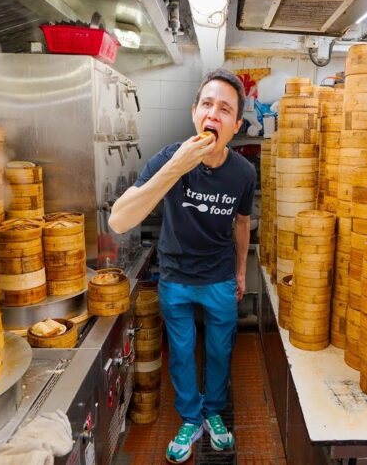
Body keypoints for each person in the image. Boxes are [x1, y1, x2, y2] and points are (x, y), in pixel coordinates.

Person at [108, 69, 255, 463]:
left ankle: (213, 414)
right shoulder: (168, 158)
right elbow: (119, 220)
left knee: (221, 350)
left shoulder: (244, 172)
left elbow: (242, 223)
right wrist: (177, 165)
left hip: (220, 276)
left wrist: (241, 272)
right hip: (175, 276)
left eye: (225, 109)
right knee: (183, 351)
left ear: (236, 125)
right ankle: (190, 418)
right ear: (194, 113)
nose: (214, 113)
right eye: (207, 104)